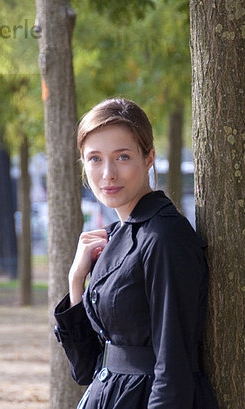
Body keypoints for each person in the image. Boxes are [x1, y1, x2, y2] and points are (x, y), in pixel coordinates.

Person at [53, 98, 219, 409]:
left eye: (123, 157)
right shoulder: (117, 236)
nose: (108, 174)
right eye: (95, 159)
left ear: (149, 158)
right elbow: (86, 367)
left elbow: (174, 366)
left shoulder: (164, 237)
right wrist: (77, 282)